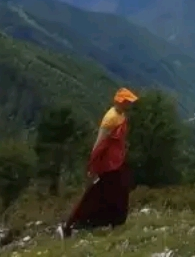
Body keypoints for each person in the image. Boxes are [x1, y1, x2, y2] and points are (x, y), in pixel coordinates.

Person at [58, 88, 138, 239]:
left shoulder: (120, 115)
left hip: (117, 162)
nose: (129, 104)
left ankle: (114, 222)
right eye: (127, 102)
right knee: (96, 194)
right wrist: (93, 165)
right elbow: (100, 143)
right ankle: (70, 225)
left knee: (118, 192)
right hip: (108, 165)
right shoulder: (110, 118)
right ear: (120, 102)